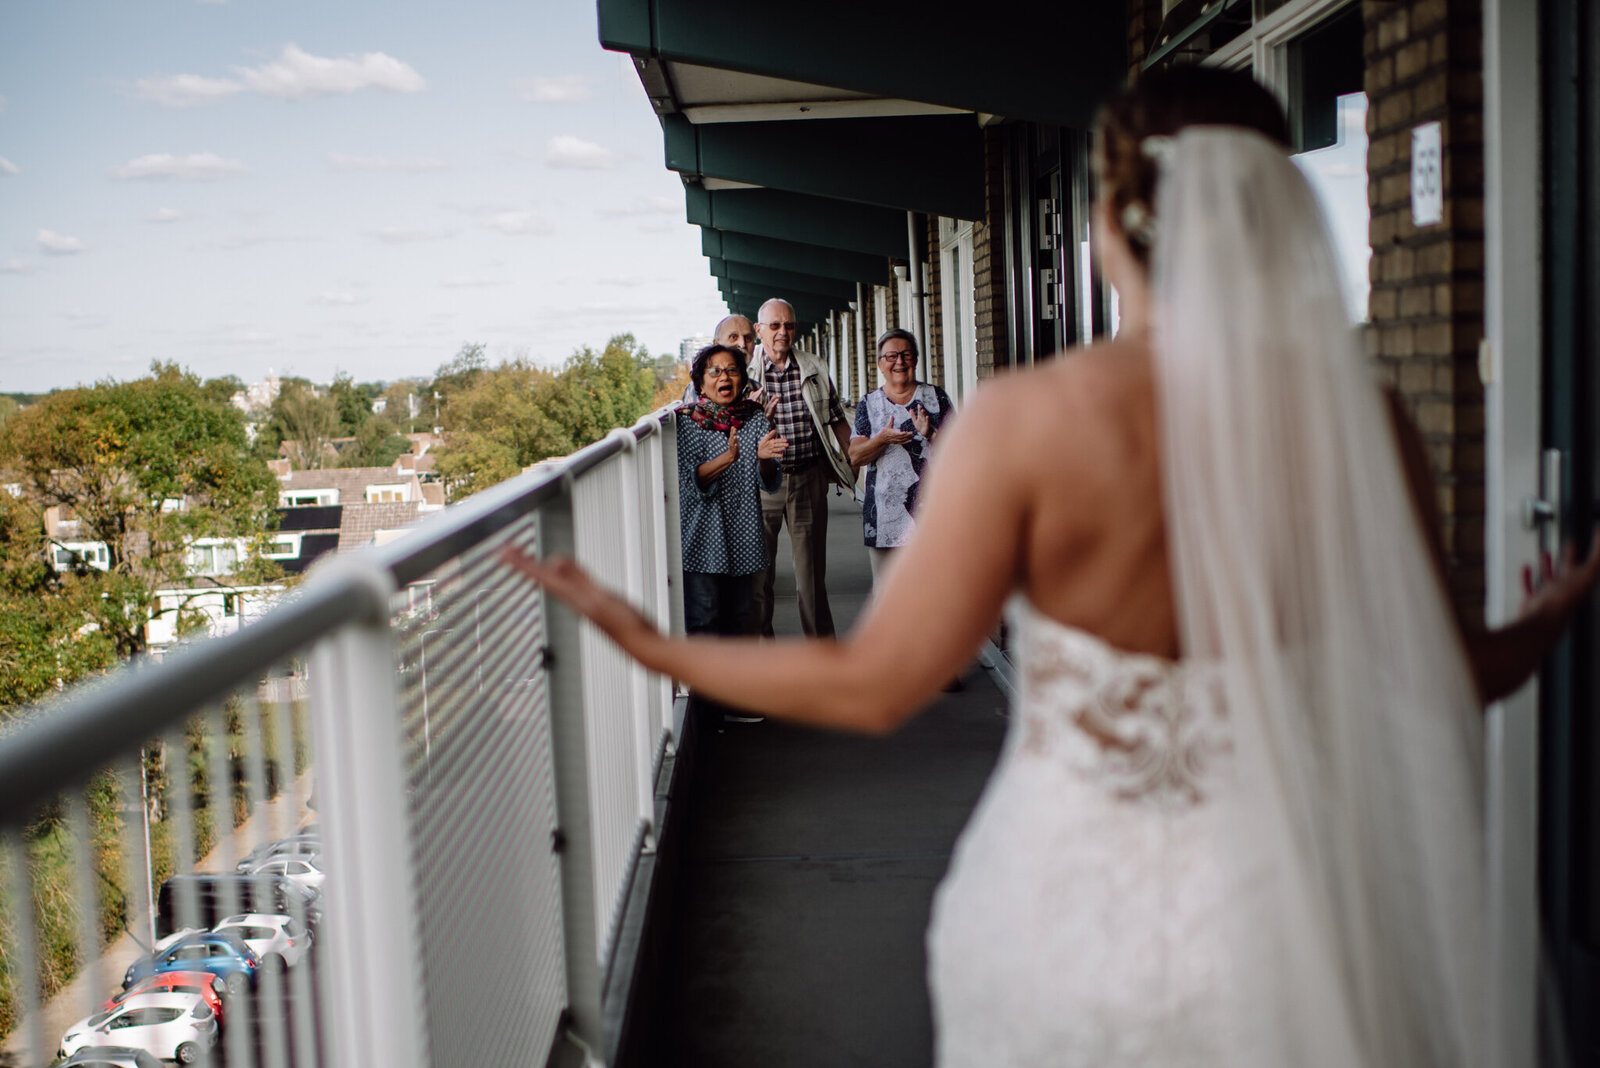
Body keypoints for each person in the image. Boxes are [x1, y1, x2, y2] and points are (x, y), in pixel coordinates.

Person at [503, 67, 1599, 1066]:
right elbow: (1444, 674)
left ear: (1113, 222)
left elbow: (875, 682)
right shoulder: (1365, 424)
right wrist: (1546, 620)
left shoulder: (1030, 423)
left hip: (1076, 921)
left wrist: (649, 640)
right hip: (1302, 918)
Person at [747, 297, 855, 638]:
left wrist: (858, 456)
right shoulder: (745, 374)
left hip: (807, 478)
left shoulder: (813, 366)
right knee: (758, 577)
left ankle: (823, 658)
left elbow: (836, 416)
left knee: (810, 577)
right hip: (763, 485)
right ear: (759, 330)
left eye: (789, 325)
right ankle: (762, 661)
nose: (783, 332)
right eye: (775, 325)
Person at [676, 344, 786, 639]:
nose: (724, 377)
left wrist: (764, 461)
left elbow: (769, 482)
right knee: (704, 623)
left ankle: (737, 685)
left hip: (744, 539)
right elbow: (690, 483)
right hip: (702, 542)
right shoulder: (686, 421)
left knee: (742, 624)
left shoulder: (755, 419)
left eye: (732, 370)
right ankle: (705, 687)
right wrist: (727, 459)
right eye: (715, 371)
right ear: (700, 381)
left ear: (742, 379)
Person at [848, 328, 954, 581]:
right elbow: (855, 456)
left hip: (933, 514)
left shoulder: (935, 397)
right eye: (891, 356)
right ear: (880, 364)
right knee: (887, 596)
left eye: (906, 355)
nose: (899, 361)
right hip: (885, 517)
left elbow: (959, 452)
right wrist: (882, 439)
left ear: (916, 360)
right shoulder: (869, 403)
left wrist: (931, 435)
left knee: (934, 591)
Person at [683, 315, 759, 404]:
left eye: (748, 338)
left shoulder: (756, 388)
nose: (742, 344)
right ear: (717, 344)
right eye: (734, 337)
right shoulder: (696, 389)